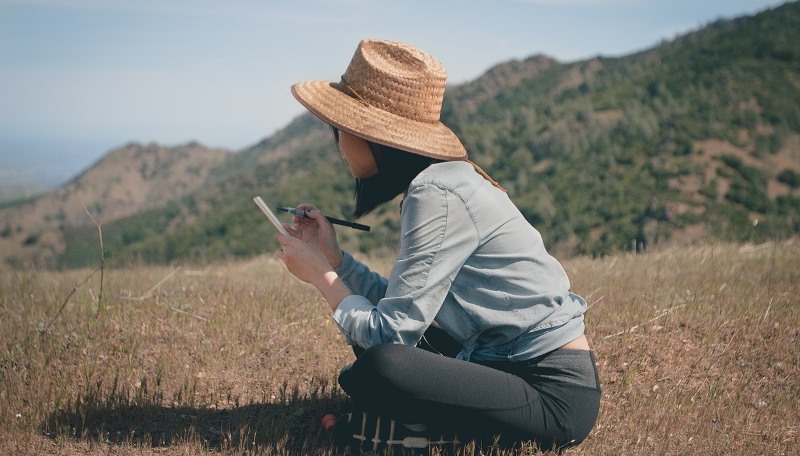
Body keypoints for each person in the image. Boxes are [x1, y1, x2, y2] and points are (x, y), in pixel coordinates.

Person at [275, 39, 600, 453]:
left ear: (371, 135)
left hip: (553, 397)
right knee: (370, 369)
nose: (336, 140)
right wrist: (334, 259)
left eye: (340, 127)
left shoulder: (437, 192)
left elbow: (387, 336)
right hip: (499, 361)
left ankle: (406, 434)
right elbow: (402, 311)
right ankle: (409, 428)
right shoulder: (438, 183)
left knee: (379, 366)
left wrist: (322, 277)